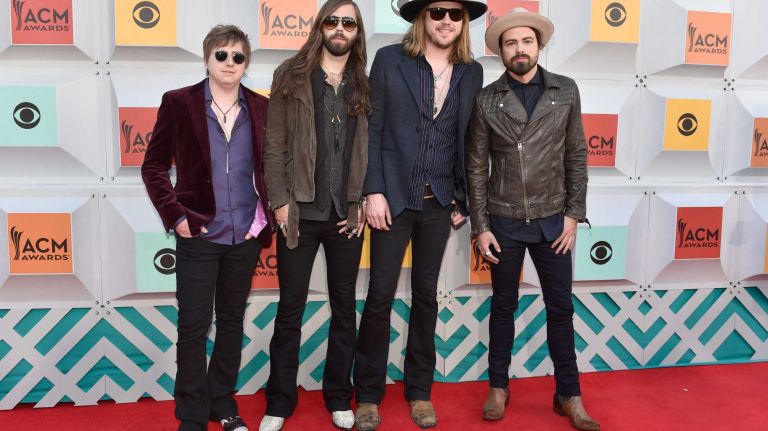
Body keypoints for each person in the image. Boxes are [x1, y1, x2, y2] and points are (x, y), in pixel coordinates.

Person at [353, 1, 486, 429]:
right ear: (421, 18)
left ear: (463, 22)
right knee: (379, 297)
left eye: (455, 13)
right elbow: (371, 129)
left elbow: (471, 140)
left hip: (439, 204)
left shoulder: (473, 71)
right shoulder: (390, 60)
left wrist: (462, 200)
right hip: (392, 199)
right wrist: (372, 190)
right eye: (437, 11)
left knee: (426, 297)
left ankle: (419, 391)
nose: (446, 20)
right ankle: (369, 395)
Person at [466, 8, 600, 431]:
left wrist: (574, 215)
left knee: (560, 309)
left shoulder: (565, 91)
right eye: (510, 43)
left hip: (553, 222)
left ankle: (569, 394)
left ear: (539, 47)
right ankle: (498, 387)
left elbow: (577, 154)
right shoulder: (487, 99)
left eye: (526, 42)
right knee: (503, 307)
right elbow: (475, 167)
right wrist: (481, 226)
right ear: (501, 52)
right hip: (504, 222)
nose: (519, 49)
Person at [142, 25, 273, 431]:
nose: (230, 63)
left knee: (232, 323)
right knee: (193, 327)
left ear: (247, 64)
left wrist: (263, 220)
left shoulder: (262, 106)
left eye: (238, 57)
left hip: (244, 236)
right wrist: (177, 216)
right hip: (198, 233)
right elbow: (153, 165)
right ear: (207, 59)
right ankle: (192, 415)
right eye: (222, 55)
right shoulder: (179, 102)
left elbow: (272, 166)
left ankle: (222, 403)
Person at [258, 1, 370, 430]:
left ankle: (340, 396)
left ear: (357, 33)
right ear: (320, 26)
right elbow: (274, 145)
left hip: (346, 215)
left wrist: (360, 201)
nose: (340, 29)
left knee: (345, 309)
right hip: (300, 214)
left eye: (349, 23)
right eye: (333, 21)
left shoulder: (364, 82)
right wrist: (280, 201)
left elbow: (368, 149)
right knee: (290, 309)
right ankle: (279, 402)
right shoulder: (290, 75)